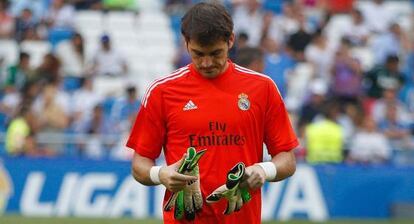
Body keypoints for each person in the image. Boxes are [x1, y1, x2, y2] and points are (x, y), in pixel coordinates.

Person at [126, 2, 298, 224]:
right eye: (198, 54)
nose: (206, 63)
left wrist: (263, 170)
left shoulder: (262, 88)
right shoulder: (162, 91)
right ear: (186, 43)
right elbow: (140, 164)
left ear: (231, 40)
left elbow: (287, 160)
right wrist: (160, 174)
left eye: (216, 53)